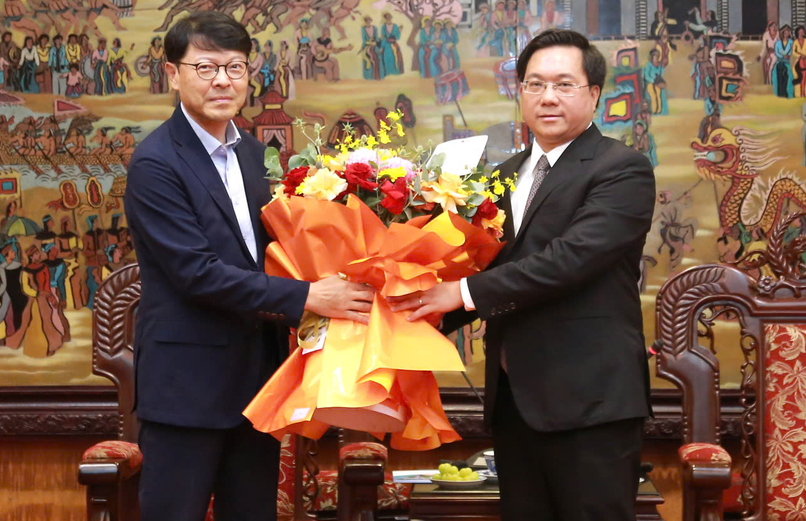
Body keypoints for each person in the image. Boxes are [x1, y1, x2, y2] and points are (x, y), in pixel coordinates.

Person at [391, 29, 655, 521]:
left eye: (564, 84)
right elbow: (475, 266)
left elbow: (570, 260)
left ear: (594, 93)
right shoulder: (499, 177)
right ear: (520, 93)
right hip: (514, 402)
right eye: (534, 84)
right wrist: (401, 313)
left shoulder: (622, 169)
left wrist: (460, 292)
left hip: (591, 402)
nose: (547, 97)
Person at [123, 12, 374, 521]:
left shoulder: (256, 155)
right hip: (186, 386)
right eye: (206, 67)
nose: (222, 81)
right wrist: (309, 298)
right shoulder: (156, 162)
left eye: (235, 68)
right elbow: (196, 272)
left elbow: (278, 255)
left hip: (257, 381)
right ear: (173, 74)